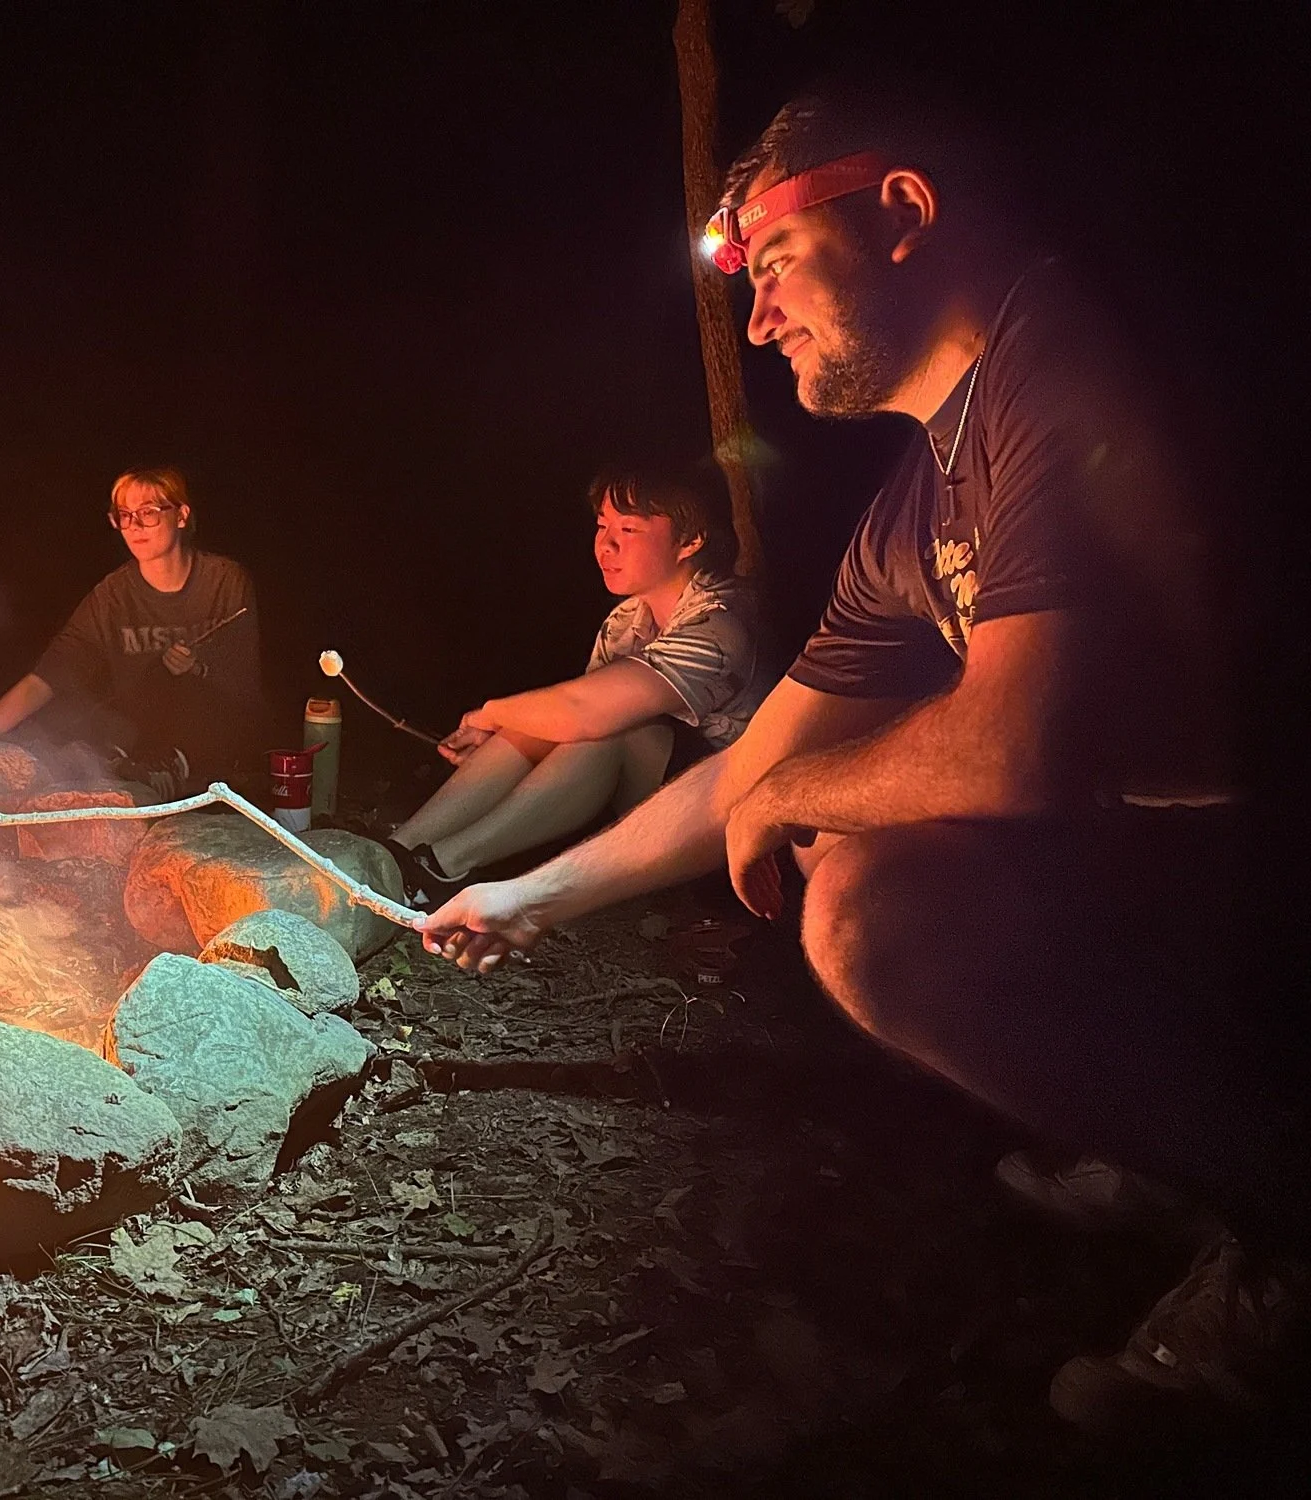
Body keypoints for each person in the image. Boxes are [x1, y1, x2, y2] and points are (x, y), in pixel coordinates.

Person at [420, 83, 1305, 1433]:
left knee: (868, 899)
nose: (759, 318)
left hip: (1269, 867)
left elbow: (1015, 745)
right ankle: (1168, 1142)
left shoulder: (1066, 358)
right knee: (848, 829)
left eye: (773, 264)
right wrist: (524, 902)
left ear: (900, 215)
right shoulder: (915, 501)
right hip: (1181, 863)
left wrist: (794, 794)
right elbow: (749, 767)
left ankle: (1283, 1218)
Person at [386, 464, 762, 904]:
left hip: (734, 835)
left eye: (630, 529)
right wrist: (504, 728)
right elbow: (564, 726)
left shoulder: (721, 621)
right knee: (548, 722)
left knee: (605, 729)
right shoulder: (626, 620)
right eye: (602, 526)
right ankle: (397, 852)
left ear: (691, 541)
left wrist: (488, 715)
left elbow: (587, 714)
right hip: (658, 814)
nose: (607, 544)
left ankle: (441, 870)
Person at [0, 467, 260, 789]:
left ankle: (170, 766)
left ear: (181, 515)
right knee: (80, 723)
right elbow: (45, 678)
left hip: (216, 749)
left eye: (148, 512)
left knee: (177, 680)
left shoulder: (224, 581)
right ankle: (134, 768)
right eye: (124, 515)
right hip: (138, 745)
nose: (134, 525)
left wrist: (198, 667)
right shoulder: (112, 597)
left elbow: (244, 680)